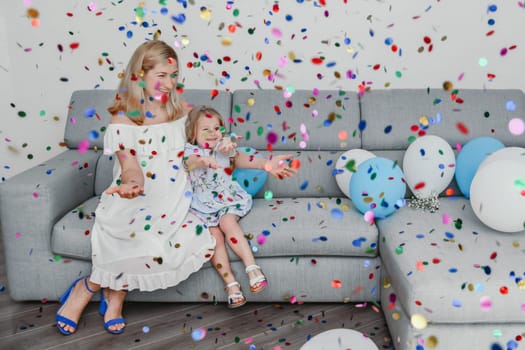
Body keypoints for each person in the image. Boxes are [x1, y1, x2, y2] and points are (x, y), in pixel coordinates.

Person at [55, 40, 216, 335]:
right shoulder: (123, 117)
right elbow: (130, 165)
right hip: (136, 193)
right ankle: (100, 292)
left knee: (170, 241)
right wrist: (132, 184)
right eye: (161, 75)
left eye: (173, 75)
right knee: (132, 232)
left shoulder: (181, 114)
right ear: (140, 75)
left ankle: (99, 288)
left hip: (174, 196)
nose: (169, 83)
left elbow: (194, 151)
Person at [183, 106, 298, 308]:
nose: (213, 133)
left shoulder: (223, 147)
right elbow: (191, 162)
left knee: (227, 223)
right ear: (192, 133)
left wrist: (266, 164)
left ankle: (253, 269)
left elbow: (241, 158)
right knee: (214, 237)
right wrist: (205, 160)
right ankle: (231, 285)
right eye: (205, 129)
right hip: (202, 207)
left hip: (227, 200)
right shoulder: (189, 151)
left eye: (217, 128)